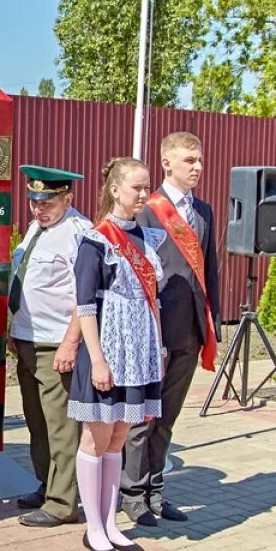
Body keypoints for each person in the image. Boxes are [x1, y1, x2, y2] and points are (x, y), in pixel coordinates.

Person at [68, 157, 164, 551]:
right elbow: (85, 306)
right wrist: (98, 360)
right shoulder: (96, 240)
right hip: (106, 348)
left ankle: (111, 522)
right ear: (114, 189)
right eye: (135, 188)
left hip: (137, 350)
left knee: (120, 435)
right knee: (97, 435)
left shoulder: (148, 237)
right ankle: (93, 527)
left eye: (146, 188)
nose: (142, 195)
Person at [122, 132, 219, 526]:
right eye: (188, 160)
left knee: (167, 418)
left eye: (199, 160)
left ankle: (156, 491)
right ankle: (131, 494)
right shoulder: (147, 210)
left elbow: (209, 274)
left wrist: (211, 325)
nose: (196, 167)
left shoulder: (205, 212)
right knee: (141, 418)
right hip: (155, 332)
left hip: (190, 331)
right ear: (166, 163)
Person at [9, 165, 90, 527]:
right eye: (33, 200)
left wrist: (71, 343)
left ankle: (63, 502)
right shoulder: (36, 229)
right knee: (37, 423)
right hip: (28, 339)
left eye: (48, 201)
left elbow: (85, 297)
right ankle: (47, 485)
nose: (38, 208)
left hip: (56, 343)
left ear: (67, 199)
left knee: (61, 427)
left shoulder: (79, 233)